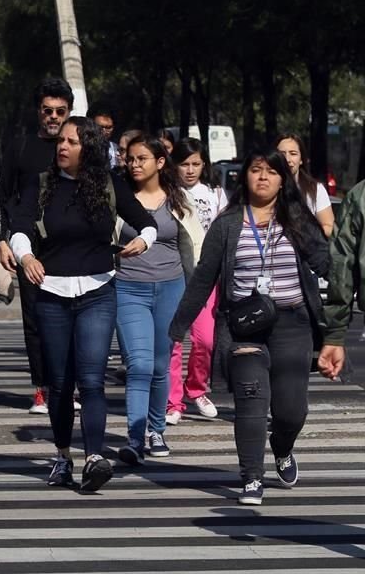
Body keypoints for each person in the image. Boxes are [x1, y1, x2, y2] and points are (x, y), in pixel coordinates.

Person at [169, 146, 329, 506]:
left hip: (292, 323)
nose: (263, 177)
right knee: (251, 402)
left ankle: (283, 448)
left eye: (271, 172)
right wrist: (177, 328)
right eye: (256, 170)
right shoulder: (227, 224)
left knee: (291, 411)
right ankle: (252, 477)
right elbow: (203, 280)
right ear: (245, 176)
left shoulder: (296, 218)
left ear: (282, 179)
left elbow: (327, 262)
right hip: (243, 326)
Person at [9, 117, 157, 492]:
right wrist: (26, 257)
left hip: (98, 290)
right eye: (61, 141)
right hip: (51, 292)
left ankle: (94, 457)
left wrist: (144, 241)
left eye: (72, 142)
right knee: (59, 383)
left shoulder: (109, 184)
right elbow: (20, 228)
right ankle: (63, 456)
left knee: (91, 379)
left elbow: (145, 222)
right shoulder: (41, 184)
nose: (63, 147)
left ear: (87, 148)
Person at [115, 135, 204, 466]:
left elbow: (193, 246)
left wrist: (197, 291)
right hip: (127, 288)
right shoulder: (120, 198)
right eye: (131, 159)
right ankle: (135, 438)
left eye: (142, 159)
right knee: (138, 365)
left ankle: (156, 429)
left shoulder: (178, 200)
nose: (135, 164)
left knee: (160, 364)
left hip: (171, 288)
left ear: (160, 162)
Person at [0, 77, 74, 415]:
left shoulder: (77, 146)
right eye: (47, 111)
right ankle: (41, 388)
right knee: (35, 320)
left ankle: (67, 387)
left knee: (71, 317)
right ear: (38, 112)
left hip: (70, 246)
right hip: (27, 246)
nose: (54, 117)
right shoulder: (21, 147)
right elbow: (2, 197)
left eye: (60, 111)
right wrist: (2, 239)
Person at [166, 137, 227, 425]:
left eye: (196, 164)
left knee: (205, 339)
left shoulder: (215, 193)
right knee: (172, 341)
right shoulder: (167, 193)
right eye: (184, 164)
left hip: (206, 275)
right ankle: (172, 401)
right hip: (174, 273)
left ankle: (196, 388)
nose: (190, 170)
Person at [319, 178, 365, 382]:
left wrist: (335, 335)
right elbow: (342, 265)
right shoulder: (360, 195)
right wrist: (335, 335)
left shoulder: (360, 194)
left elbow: (342, 265)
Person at [276, 133, 334, 237]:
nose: (287, 159)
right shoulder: (265, 187)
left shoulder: (315, 189)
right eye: (282, 154)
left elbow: (329, 227)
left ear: (301, 159)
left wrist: (305, 233)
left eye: (293, 153)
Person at [87, 103, 118, 168]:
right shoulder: (81, 149)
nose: (103, 131)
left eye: (108, 127)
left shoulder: (117, 151)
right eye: (99, 127)